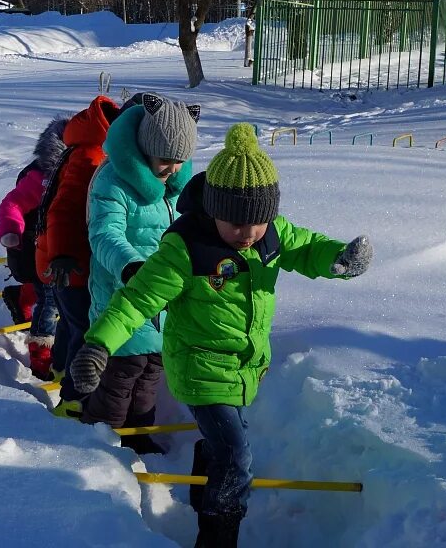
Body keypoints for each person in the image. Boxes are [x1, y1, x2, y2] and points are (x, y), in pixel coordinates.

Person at [69, 123, 373, 548]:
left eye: (258, 222)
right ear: (213, 209)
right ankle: (217, 535)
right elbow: (137, 300)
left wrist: (337, 259)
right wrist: (98, 344)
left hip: (242, 367)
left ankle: (201, 487)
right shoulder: (185, 249)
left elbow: (307, 248)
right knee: (235, 456)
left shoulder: (271, 234)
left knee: (224, 444)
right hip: (197, 367)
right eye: (236, 222)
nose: (248, 233)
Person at [82, 93, 200, 453]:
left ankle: (139, 435)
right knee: (121, 376)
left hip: (162, 303)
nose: (173, 169)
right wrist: (131, 267)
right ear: (145, 148)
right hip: (124, 294)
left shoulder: (172, 189)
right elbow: (104, 233)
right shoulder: (113, 181)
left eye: (180, 161)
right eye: (166, 160)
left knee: (151, 372)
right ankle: (101, 440)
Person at [35, 94, 121, 414]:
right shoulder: (90, 155)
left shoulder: (93, 149)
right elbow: (64, 210)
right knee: (84, 329)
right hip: (72, 262)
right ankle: (74, 399)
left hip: (68, 259)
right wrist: (64, 255)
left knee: (71, 324)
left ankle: (58, 370)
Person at [0, 116, 69, 380]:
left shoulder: (86, 174)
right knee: (50, 302)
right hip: (38, 248)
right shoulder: (42, 179)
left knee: (49, 294)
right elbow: (12, 204)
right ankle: (41, 355)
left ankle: (21, 298)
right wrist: (10, 230)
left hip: (66, 248)